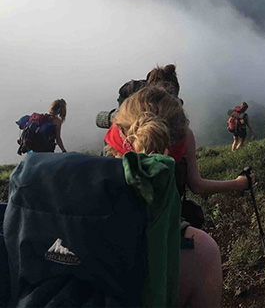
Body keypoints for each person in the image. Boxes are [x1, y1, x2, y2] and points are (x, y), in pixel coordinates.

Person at [105, 86, 253, 306]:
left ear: (114, 140)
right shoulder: (200, 251)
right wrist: (239, 184)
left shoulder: (65, 227)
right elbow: (197, 185)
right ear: (175, 151)